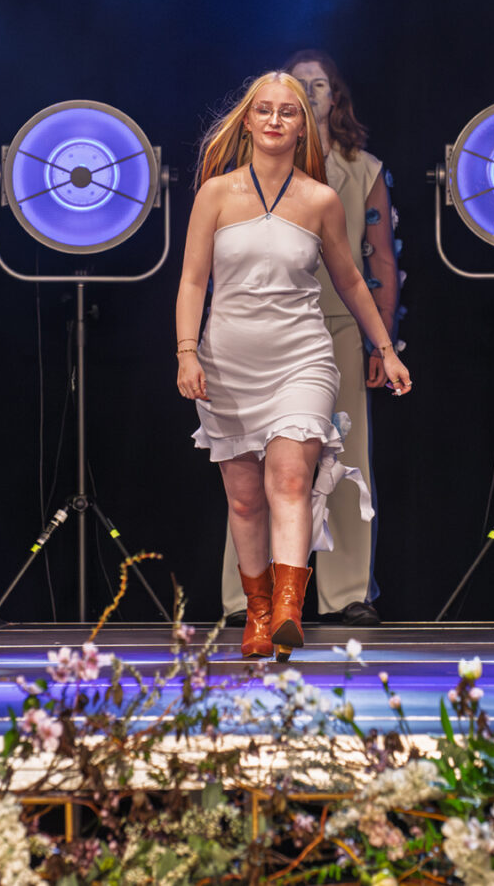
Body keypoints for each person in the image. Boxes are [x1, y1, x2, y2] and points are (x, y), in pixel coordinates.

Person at [176, 72, 412, 659]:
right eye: (264, 110)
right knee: (244, 498)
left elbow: (351, 280)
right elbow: (193, 280)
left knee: (289, 479)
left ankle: (287, 611)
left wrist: (386, 348)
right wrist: (186, 351)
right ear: (248, 121)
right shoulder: (215, 194)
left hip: (302, 356)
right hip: (228, 362)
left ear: (303, 125)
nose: (275, 120)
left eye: (288, 112)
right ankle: (258, 614)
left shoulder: (320, 199)